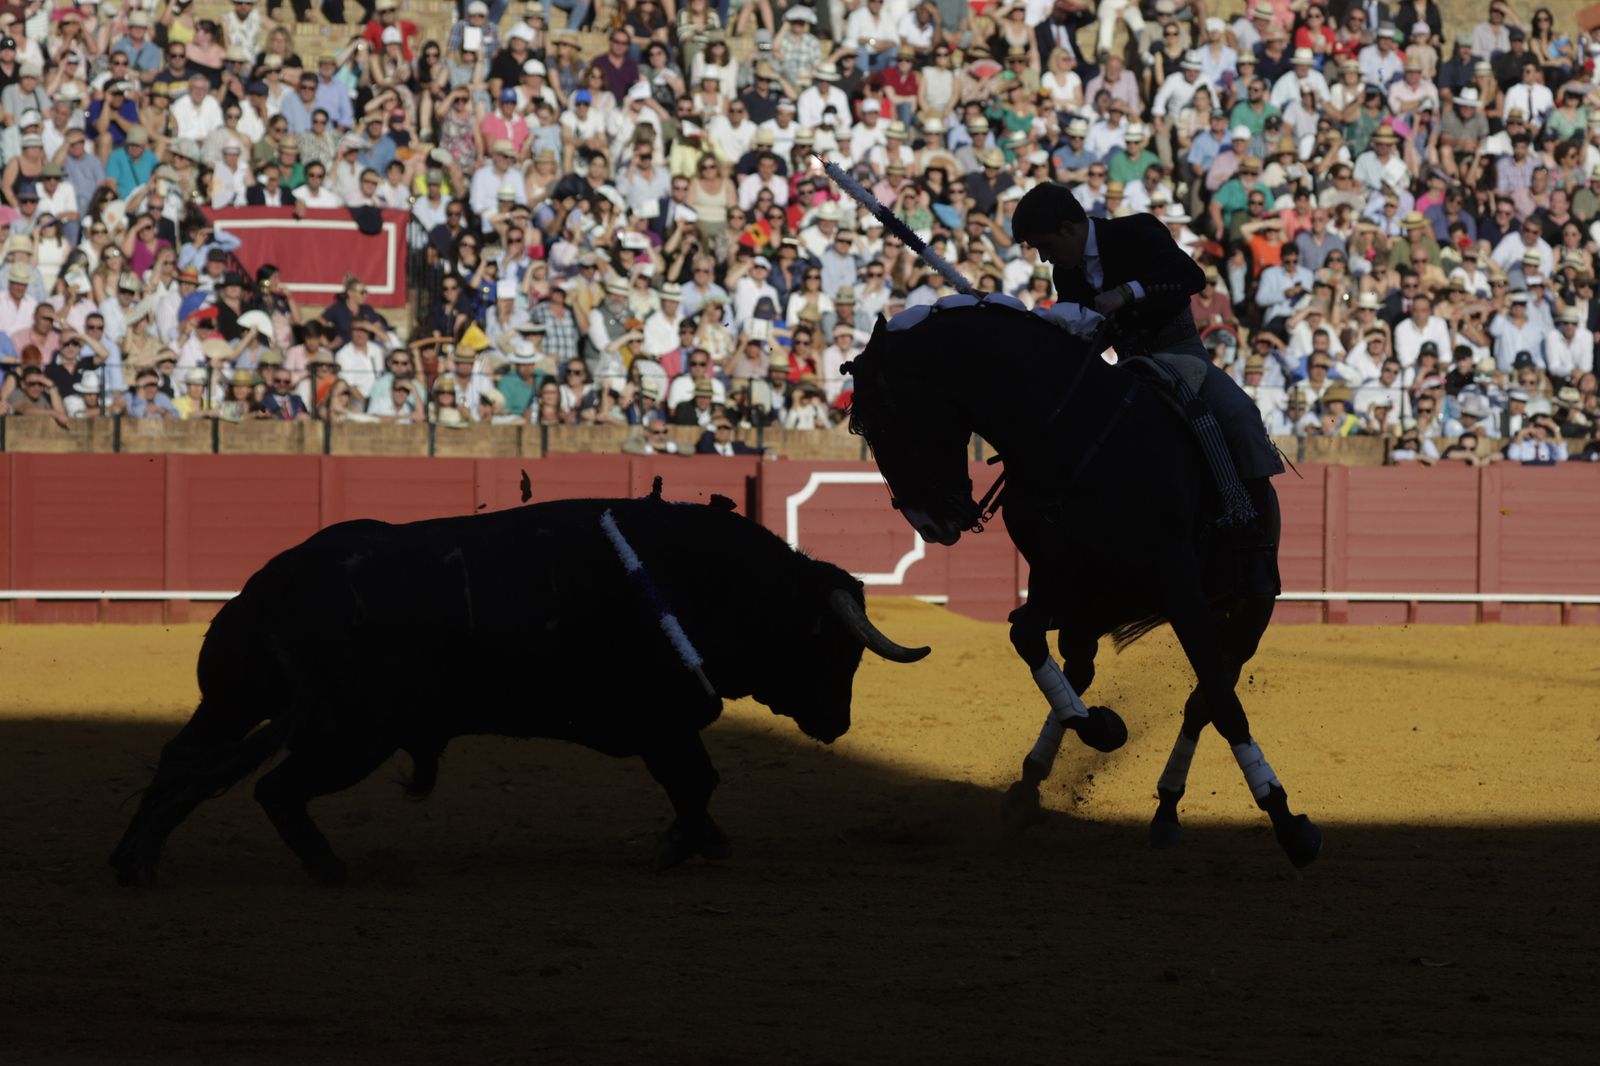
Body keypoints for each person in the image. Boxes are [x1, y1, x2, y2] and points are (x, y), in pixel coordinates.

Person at [1011, 181, 1282, 543]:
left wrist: (1126, 293)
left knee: (1240, 414)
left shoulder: (1136, 230)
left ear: (1067, 229)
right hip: (1130, 368)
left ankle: (1257, 537)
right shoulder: (1066, 271)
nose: (1045, 258)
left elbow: (1191, 276)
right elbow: (1088, 334)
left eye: (1045, 246)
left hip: (1183, 356)